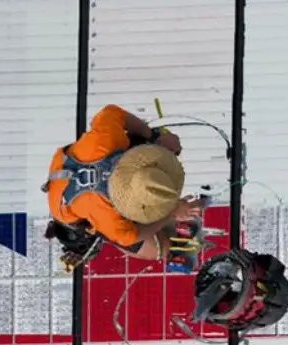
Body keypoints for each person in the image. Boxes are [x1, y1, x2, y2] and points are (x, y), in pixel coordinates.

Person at [42, 105, 204, 264]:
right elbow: (135, 236)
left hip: (72, 170)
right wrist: (171, 212)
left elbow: (113, 112)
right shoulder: (109, 218)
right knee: (160, 248)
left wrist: (155, 137)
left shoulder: (107, 139)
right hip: (68, 206)